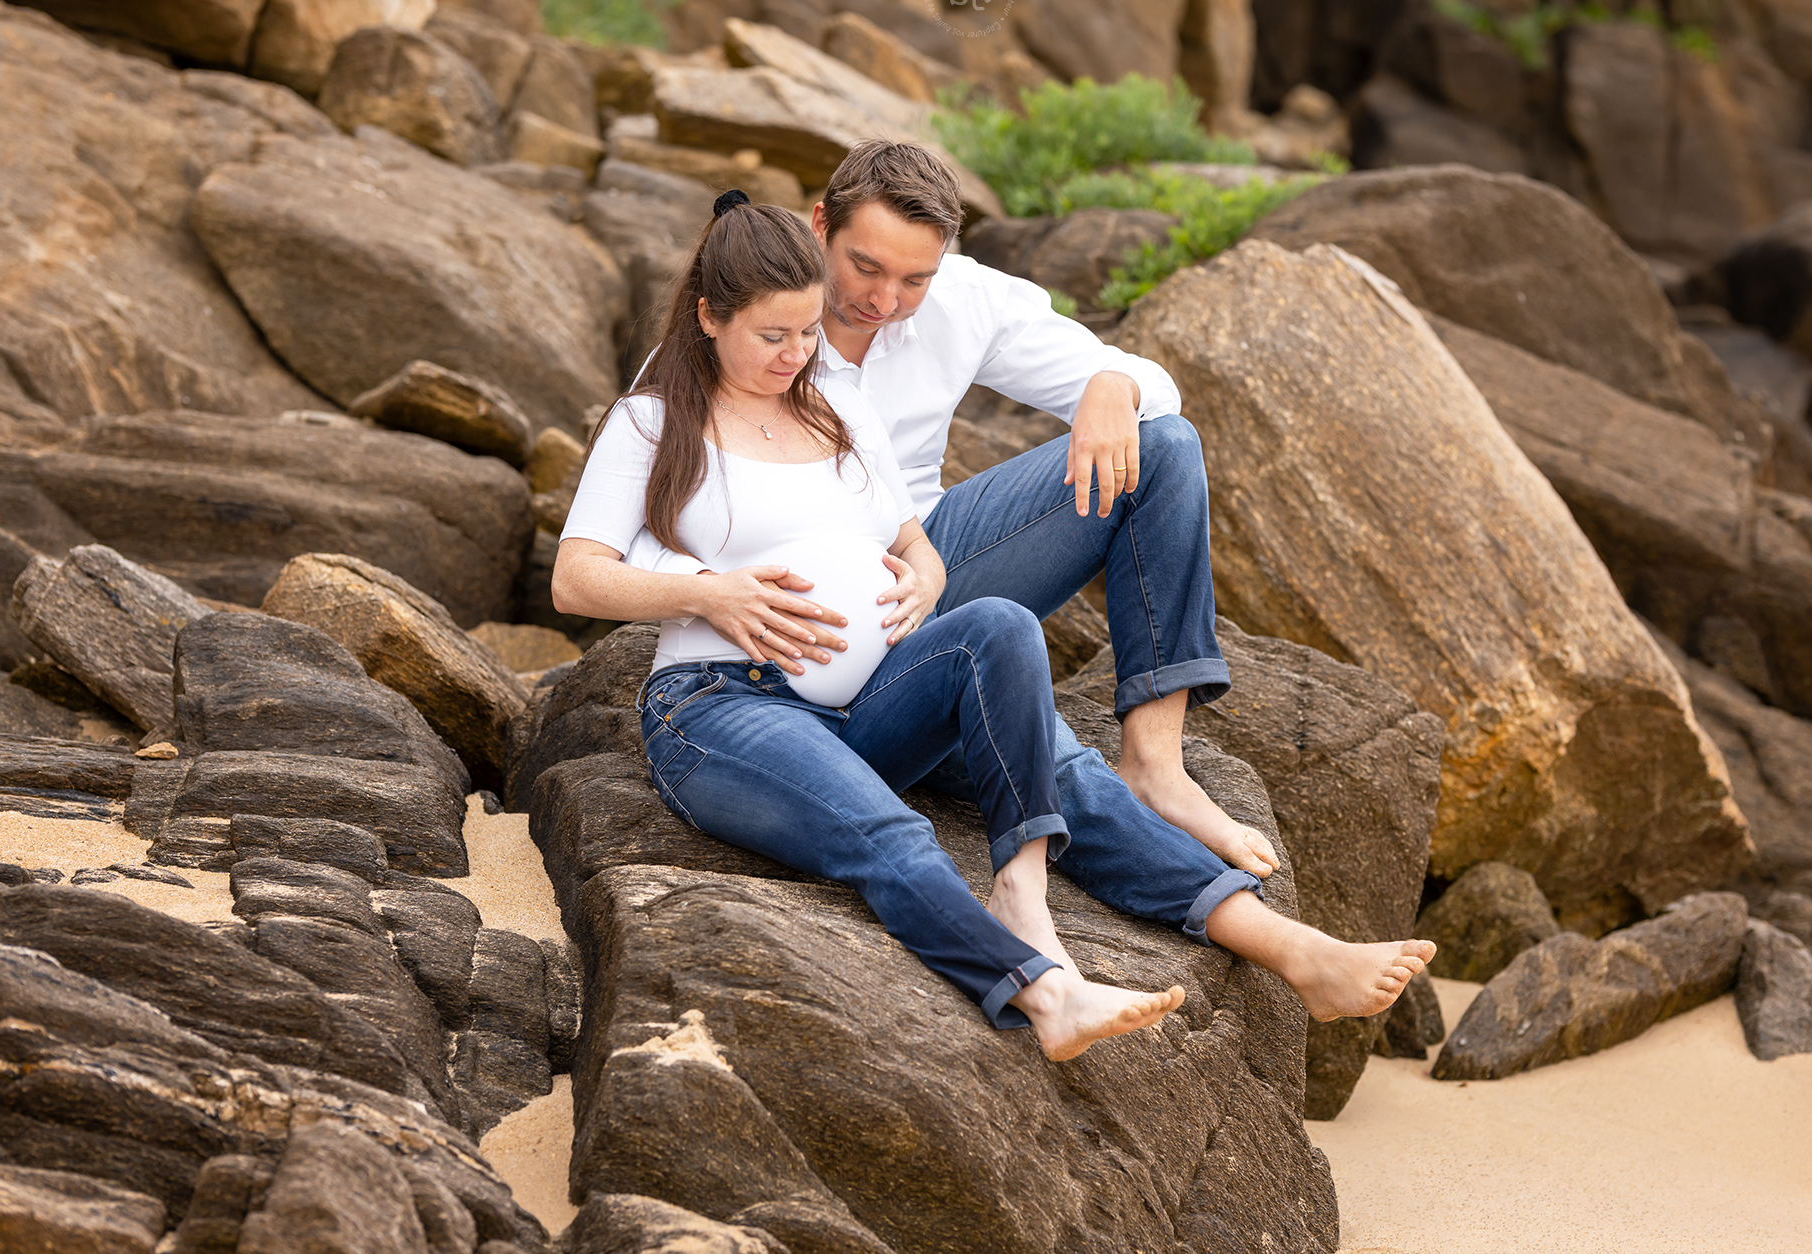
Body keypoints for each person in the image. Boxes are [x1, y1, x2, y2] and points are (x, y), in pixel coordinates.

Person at [552, 193, 1434, 1061]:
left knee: (1001, 626)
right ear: (709, 317)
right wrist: (712, 594)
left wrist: (925, 581)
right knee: (889, 831)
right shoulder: (654, 417)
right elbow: (577, 576)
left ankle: (1190, 924)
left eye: (807, 333)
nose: (796, 356)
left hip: (872, 699)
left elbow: (911, 541)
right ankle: (1045, 991)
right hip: (725, 701)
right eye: (772, 337)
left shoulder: (836, 402)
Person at [618, 140, 1279, 883]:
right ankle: (1182, 897)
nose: (884, 299)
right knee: (1046, 751)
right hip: (806, 629)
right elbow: (636, 533)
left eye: (913, 279)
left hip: (934, 567)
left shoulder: (965, 300)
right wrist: (717, 595)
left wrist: (1111, 384)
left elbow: (1147, 385)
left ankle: (1155, 762)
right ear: (818, 226)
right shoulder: (735, 343)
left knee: (1164, 447)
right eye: (865, 266)